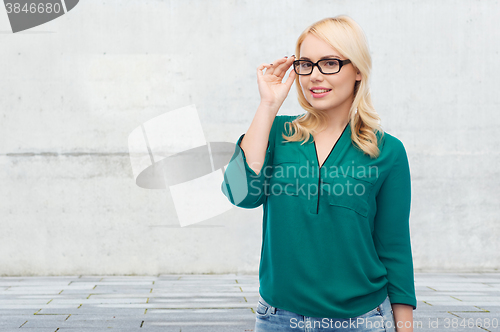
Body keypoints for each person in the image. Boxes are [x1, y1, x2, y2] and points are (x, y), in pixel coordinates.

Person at [221, 15, 416, 332]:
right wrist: (267, 106)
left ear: (357, 70)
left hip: (361, 320)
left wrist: (405, 328)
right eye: (306, 64)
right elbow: (240, 194)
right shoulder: (277, 133)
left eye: (329, 63)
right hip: (277, 319)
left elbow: (394, 247)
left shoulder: (388, 151)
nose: (314, 76)